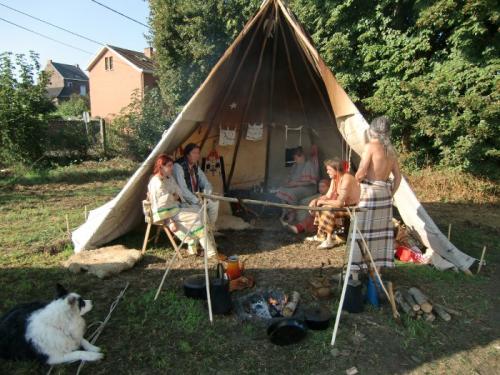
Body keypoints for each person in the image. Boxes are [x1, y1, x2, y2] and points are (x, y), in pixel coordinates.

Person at [353, 116, 402, 273]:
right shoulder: (391, 150)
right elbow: (398, 177)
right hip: (385, 194)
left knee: (361, 231)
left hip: (371, 192)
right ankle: (377, 270)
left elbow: (360, 173)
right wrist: (390, 193)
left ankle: (356, 268)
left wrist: (354, 180)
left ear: (372, 130)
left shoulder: (371, 146)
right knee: (380, 235)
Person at [148, 154, 218, 258]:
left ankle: (203, 246)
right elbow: (161, 205)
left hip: (176, 207)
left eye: (172, 165)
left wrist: (174, 197)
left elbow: (177, 192)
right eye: (169, 165)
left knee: (200, 211)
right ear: (161, 166)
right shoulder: (156, 182)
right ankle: (210, 252)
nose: (172, 168)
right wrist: (171, 221)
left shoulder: (168, 177)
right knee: (196, 218)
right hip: (167, 214)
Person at [307, 158, 360, 249]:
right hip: (344, 206)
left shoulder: (346, 179)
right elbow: (328, 196)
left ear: (337, 169)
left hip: (353, 208)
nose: (327, 172)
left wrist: (322, 202)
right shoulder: (335, 179)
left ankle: (329, 240)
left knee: (327, 209)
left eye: (329, 170)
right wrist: (315, 200)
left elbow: (339, 203)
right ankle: (321, 236)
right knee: (320, 206)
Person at [173, 143, 219, 230]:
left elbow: (206, 183)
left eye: (198, 153)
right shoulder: (178, 166)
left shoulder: (195, 166)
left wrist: (207, 195)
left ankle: (210, 229)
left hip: (198, 198)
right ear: (187, 154)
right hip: (184, 200)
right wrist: (197, 201)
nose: (197, 156)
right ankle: (202, 233)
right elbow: (182, 190)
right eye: (194, 153)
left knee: (214, 204)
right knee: (199, 209)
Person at [276, 146, 319, 222]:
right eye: (294, 158)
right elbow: (290, 176)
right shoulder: (295, 165)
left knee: (292, 193)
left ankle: (293, 213)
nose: (295, 160)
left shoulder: (308, 164)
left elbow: (311, 182)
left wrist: (296, 183)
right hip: (296, 186)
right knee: (280, 190)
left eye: (296, 158)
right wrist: (287, 182)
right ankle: (285, 211)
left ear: (302, 156)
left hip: (308, 188)